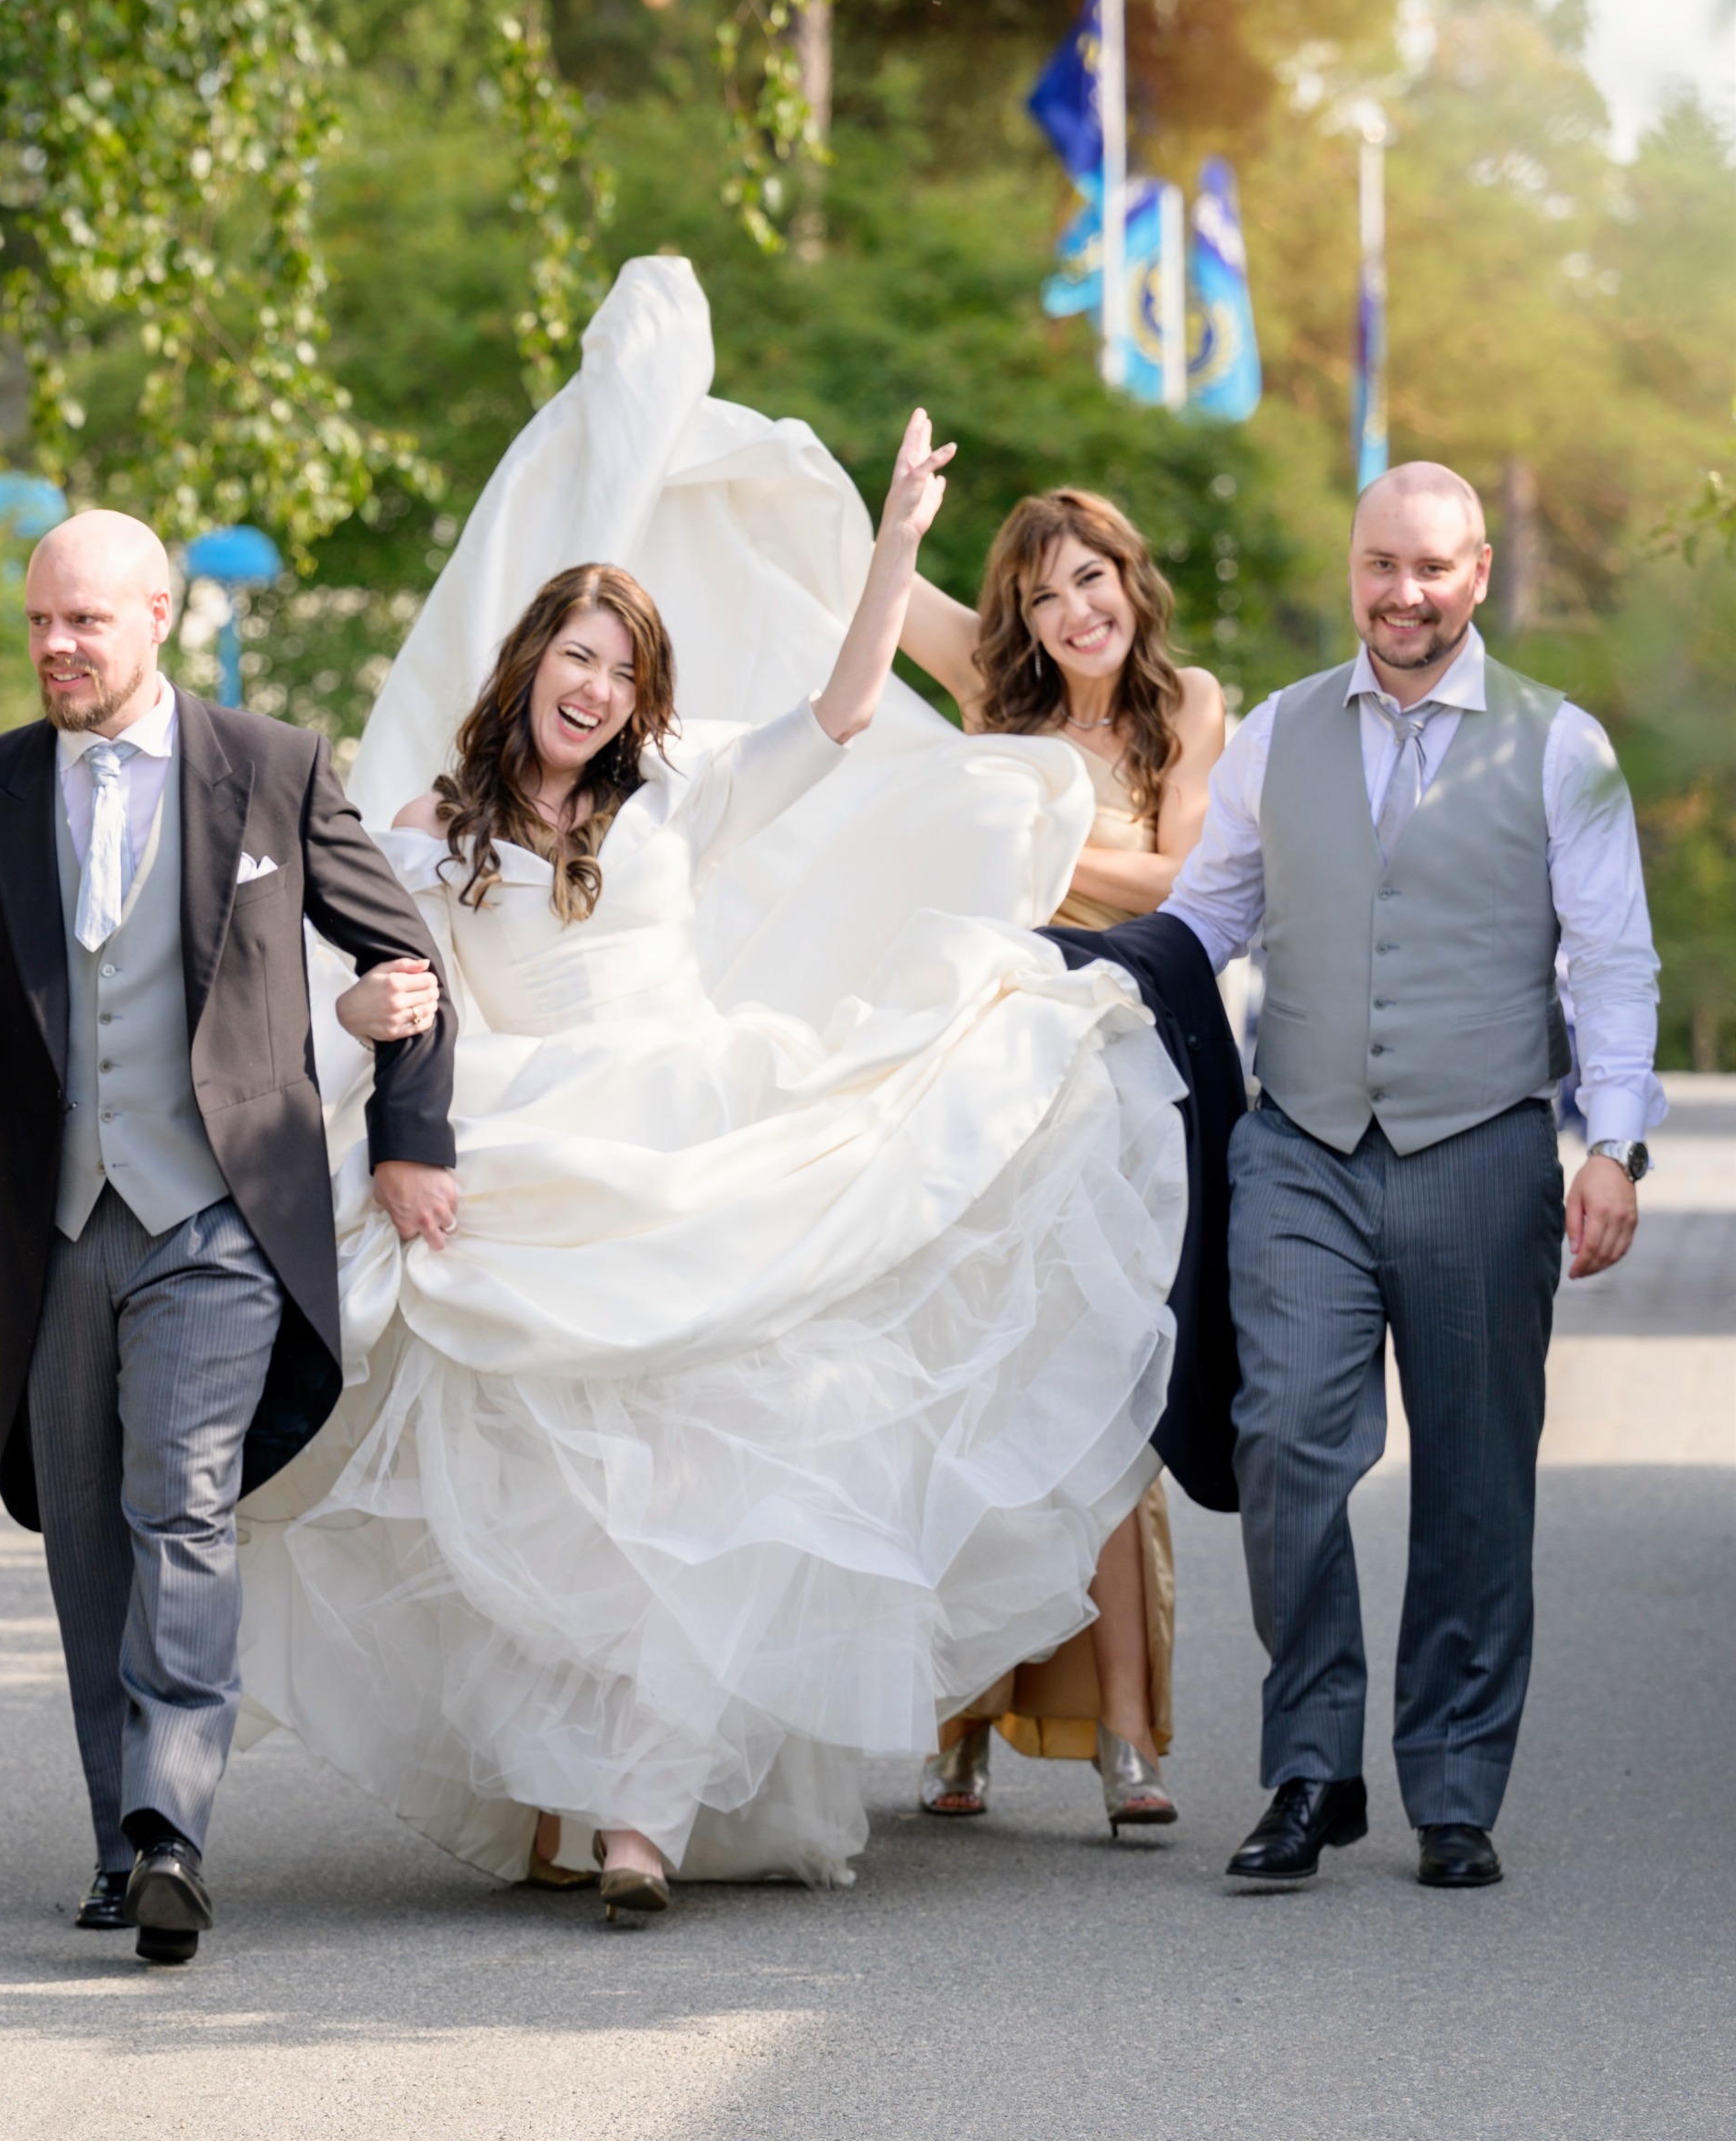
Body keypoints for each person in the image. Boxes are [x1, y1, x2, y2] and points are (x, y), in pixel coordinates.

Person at [229, 255, 1189, 1914]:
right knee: (551, 1506)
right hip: (534, 1155)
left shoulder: (677, 796)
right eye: (577, 657)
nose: (595, 689)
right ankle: (567, 1782)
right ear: (534, 661)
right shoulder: (427, 838)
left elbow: (832, 715)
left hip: (701, 1132)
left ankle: (642, 1823)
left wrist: (891, 545)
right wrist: (391, 1048)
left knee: (707, 1482)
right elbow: (351, 972)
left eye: (620, 668)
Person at [0, 510, 459, 1969]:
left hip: (221, 1217)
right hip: (57, 1229)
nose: (55, 646)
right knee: (87, 1531)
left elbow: (402, 955)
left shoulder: (275, 766)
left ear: (157, 617)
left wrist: (414, 1140)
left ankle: (172, 1828)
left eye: (85, 623)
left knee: (179, 1498)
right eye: (40, 622)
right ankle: (122, 1837)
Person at [1164, 460, 1661, 1891]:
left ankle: (1453, 1784)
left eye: (1433, 567)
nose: (1405, 594)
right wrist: (1084, 994)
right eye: (1382, 565)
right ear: (1353, 570)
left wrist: (1614, 1145)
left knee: (1475, 1480)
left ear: (1481, 573)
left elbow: (1613, 963)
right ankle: (1314, 1766)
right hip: (1304, 1146)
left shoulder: (1565, 747)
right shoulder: (1275, 734)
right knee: (1284, 1451)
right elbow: (1210, 917)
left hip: (1484, 1150)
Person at [897, 488, 1225, 1833]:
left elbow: (1190, 884)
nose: (1073, 610)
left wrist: (1025, 833)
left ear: (1130, 581)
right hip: (1001, 1056)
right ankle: (956, 1732)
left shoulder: (1186, 706)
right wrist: (883, 508)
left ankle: (1127, 1737)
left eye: (1091, 578)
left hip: (1137, 1062)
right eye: (1042, 595)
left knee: (1106, 1385)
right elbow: (848, 587)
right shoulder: (998, 696)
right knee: (980, 1376)